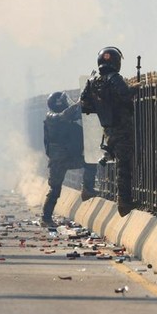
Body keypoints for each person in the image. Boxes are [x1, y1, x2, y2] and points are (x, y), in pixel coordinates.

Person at [80, 46, 139, 217]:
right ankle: (124, 202)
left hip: (107, 128)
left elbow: (85, 105)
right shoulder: (115, 78)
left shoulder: (92, 81)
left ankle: (119, 198)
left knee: (118, 165)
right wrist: (137, 87)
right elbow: (125, 95)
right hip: (123, 127)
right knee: (124, 166)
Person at [41, 91, 98, 227]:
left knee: (90, 161)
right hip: (58, 161)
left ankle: (87, 189)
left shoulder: (65, 116)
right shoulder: (51, 116)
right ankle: (45, 218)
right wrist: (77, 104)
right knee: (55, 189)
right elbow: (63, 115)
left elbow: (79, 115)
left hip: (69, 156)